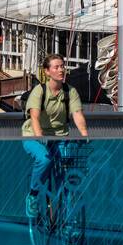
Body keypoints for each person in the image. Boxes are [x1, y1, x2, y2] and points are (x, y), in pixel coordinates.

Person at [22, 53, 89, 218]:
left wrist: (84, 134)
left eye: (62, 66)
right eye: (56, 67)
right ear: (47, 71)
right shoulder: (40, 91)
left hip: (60, 136)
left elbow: (77, 114)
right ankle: (33, 195)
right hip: (34, 135)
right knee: (45, 159)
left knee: (64, 173)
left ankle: (58, 217)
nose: (61, 70)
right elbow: (34, 117)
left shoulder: (69, 91)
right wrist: (39, 136)